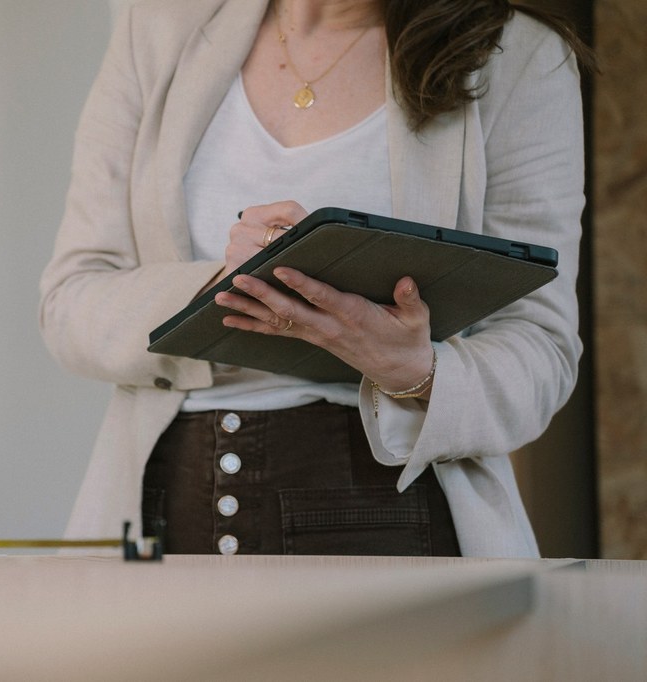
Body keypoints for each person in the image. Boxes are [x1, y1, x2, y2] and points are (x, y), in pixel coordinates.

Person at [39, 0, 593, 557]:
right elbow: (70, 301)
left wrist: (417, 371)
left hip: (393, 518)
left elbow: (541, 348)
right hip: (163, 509)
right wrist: (222, 290)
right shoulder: (159, 26)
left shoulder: (518, 54)